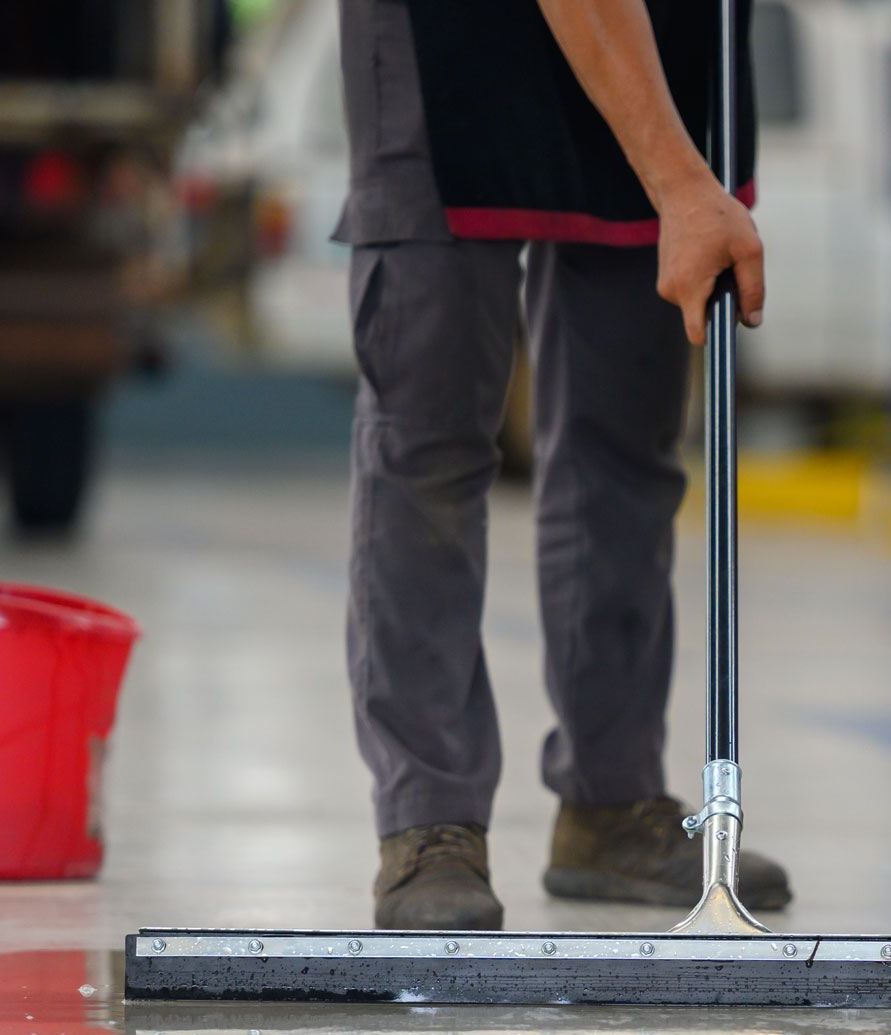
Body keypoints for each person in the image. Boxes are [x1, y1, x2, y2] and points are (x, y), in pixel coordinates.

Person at [336, 0, 791, 929]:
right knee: (430, 429)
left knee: (628, 430)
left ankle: (609, 804)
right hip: (439, 37)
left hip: (668, 34)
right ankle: (429, 820)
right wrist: (677, 175)